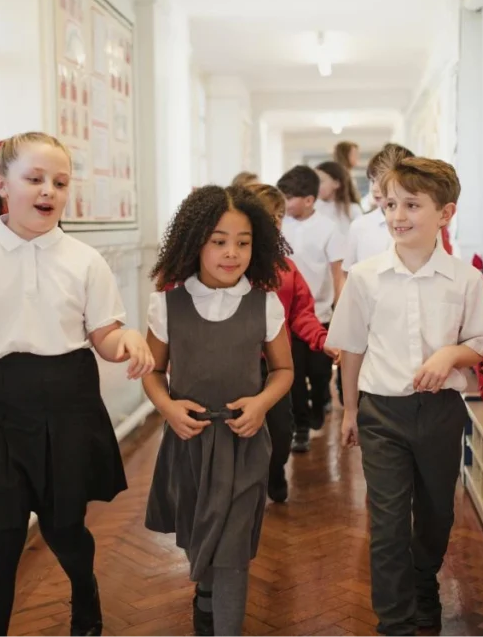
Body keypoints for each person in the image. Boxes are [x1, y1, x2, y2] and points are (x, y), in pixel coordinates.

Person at [0, 132, 155, 637]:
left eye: (59, 182)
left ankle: (85, 590)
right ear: (1, 185)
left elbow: (103, 335)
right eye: (34, 179)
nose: (48, 191)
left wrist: (126, 338)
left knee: (66, 532)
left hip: (69, 406)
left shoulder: (85, 261)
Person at [328, 156, 483, 636]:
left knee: (437, 515)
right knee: (388, 523)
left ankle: (425, 584)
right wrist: (351, 411)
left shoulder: (466, 279)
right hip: (383, 413)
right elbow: (352, 347)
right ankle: (394, 622)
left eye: (412, 205)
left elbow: (479, 347)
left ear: (445, 214)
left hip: (441, 413)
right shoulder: (364, 277)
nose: (397, 215)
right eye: (391, 203)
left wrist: (448, 356)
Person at [142, 185, 295, 637]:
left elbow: (283, 369)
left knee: (233, 552)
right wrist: (168, 407)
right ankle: (205, 594)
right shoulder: (167, 304)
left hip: (244, 441)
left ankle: (224, 623)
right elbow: (153, 373)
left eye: (243, 243)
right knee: (198, 535)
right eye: (219, 241)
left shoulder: (264, 302)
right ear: (195, 243)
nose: (232, 253)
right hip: (189, 442)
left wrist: (262, 404)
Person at [240, 180, 338, 501]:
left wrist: (323, 340)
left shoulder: (285, 268)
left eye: (279, 216)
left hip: (275, 367)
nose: (275, 223)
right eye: (267, 217)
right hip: (234, 366)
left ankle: (275, 470)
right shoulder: (227, 266)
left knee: (281, 431)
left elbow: (301, 314)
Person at [276, 165, 346, 452]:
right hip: (287, 319)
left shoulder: (329, 228)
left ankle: (319, 404)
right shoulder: (280, 226)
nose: (284, 203)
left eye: (289, 198)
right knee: (292, 375)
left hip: (320, 315)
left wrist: (340, 310)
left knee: (319, 373)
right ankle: (300, 427)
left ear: (308, 199)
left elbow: (338, 273)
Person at [343, 144, 414, 274]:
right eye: (372, 180)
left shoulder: (420, 223)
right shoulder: (360, 226)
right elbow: (347, 273)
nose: (374, 189)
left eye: (382, 181)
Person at [315, 160, 363, 237]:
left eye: (321, 181)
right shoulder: (312, 208)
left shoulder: (353, 209)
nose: (315, 186)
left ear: (336, 183)